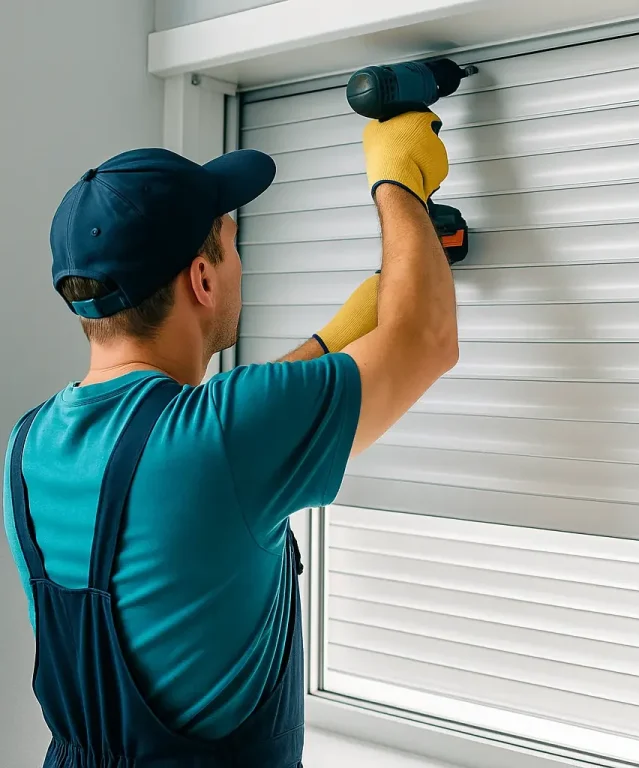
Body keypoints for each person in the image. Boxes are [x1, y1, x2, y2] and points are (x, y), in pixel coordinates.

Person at [2, 110, 458, 768]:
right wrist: (399, 181)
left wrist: (335, 343)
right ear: (203, 279)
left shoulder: (27, 445)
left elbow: (199, 446)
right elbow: (427, 340)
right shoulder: (222, 438)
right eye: (232, 241)